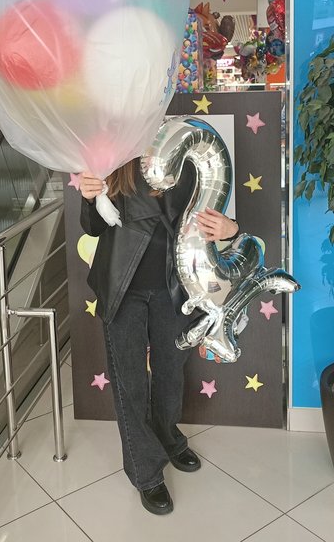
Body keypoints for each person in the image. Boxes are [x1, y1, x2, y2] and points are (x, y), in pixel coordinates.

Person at [79, 158, 238, 515]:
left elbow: (209, 215)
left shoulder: (190, 160)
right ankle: (146, 471)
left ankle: (168, 436)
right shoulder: (112, 158)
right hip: (123, 289)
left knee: (170, 372)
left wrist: (231, 228)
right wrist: (89, 198)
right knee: (130, 382)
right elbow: (92, 227)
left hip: (176, 289)